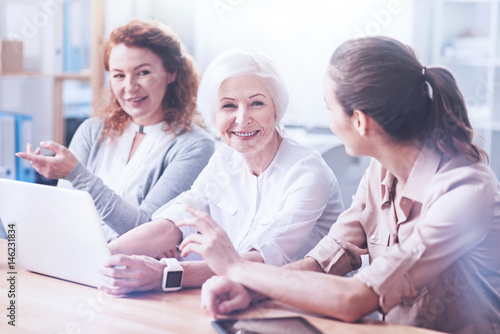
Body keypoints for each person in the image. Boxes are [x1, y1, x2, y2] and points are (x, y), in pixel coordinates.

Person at [178, 37, 500, 334]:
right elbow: (326, 259)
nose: (329, 120)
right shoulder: (379, 171)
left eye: (330, 108)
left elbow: (355, 299)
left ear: (359, 122)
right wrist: (251, 289)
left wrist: (236, 268)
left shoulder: (465, 191)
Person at [98, 48, 344, 294]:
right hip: (231, 295)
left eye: (256, 103)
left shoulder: (306, 171)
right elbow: (178, 219)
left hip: (301, 305)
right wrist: (103, 256)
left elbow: (262, 261)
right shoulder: (225, 159)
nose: (242, 119)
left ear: (276, 109)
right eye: (228, 106)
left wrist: (162, 274)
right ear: (214, 115)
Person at [16, 20, 214, 241]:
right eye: (119, 75)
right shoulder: (93, 130)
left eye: (143, 72)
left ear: (171, 73)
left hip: (131, 269)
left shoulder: (195, 145)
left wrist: (76, 174)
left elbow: (146, 233)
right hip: (75, 253)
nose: (129, 87)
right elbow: (66, 214)